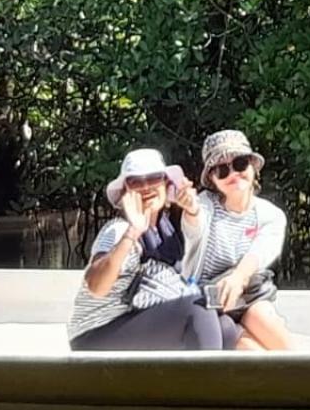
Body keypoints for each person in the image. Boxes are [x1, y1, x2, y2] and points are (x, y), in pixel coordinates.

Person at [67, 148, 231, 351]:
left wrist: (192, 209)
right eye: (135, 181)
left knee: (226, 327)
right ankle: (208, 382)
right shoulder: (118, 230)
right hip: (96, 335)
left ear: (166, 184)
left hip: (140, 323)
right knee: (198, 308)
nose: (145, 187)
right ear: (126, 191)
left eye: (154, 178)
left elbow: (198, 237)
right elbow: (96, 287)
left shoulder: (166, 231)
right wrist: (133, 232)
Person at [179, 130, 291, 350]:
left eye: (239, 164)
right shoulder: (204, 206)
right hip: (206, 303)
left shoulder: (271, 215)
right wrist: (190, 209)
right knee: (253, 353)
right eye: (222, 170)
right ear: (212, 179)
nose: (233, 174)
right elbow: (194, 224)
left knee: (281, 342)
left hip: (250, 295)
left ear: (252, 167)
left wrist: (238, 278)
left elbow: (260, 253)